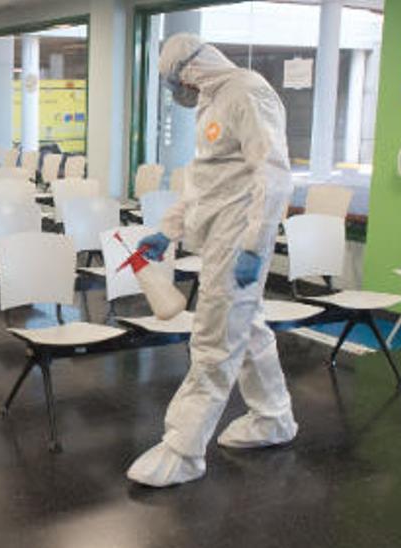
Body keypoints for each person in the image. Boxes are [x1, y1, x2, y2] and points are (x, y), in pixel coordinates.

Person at [126, 34, 297, 487]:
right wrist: (169, 230)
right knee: (250, 330)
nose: (175, 89)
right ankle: (273, 417)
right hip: (220, 236)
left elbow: (275, 175)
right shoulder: (215, 98)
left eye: (175, 79)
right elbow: (205, 181)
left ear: (193, 66)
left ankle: (183, 449)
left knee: (214, 338)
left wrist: (254, 244)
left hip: (239, 240)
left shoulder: (247, 91)